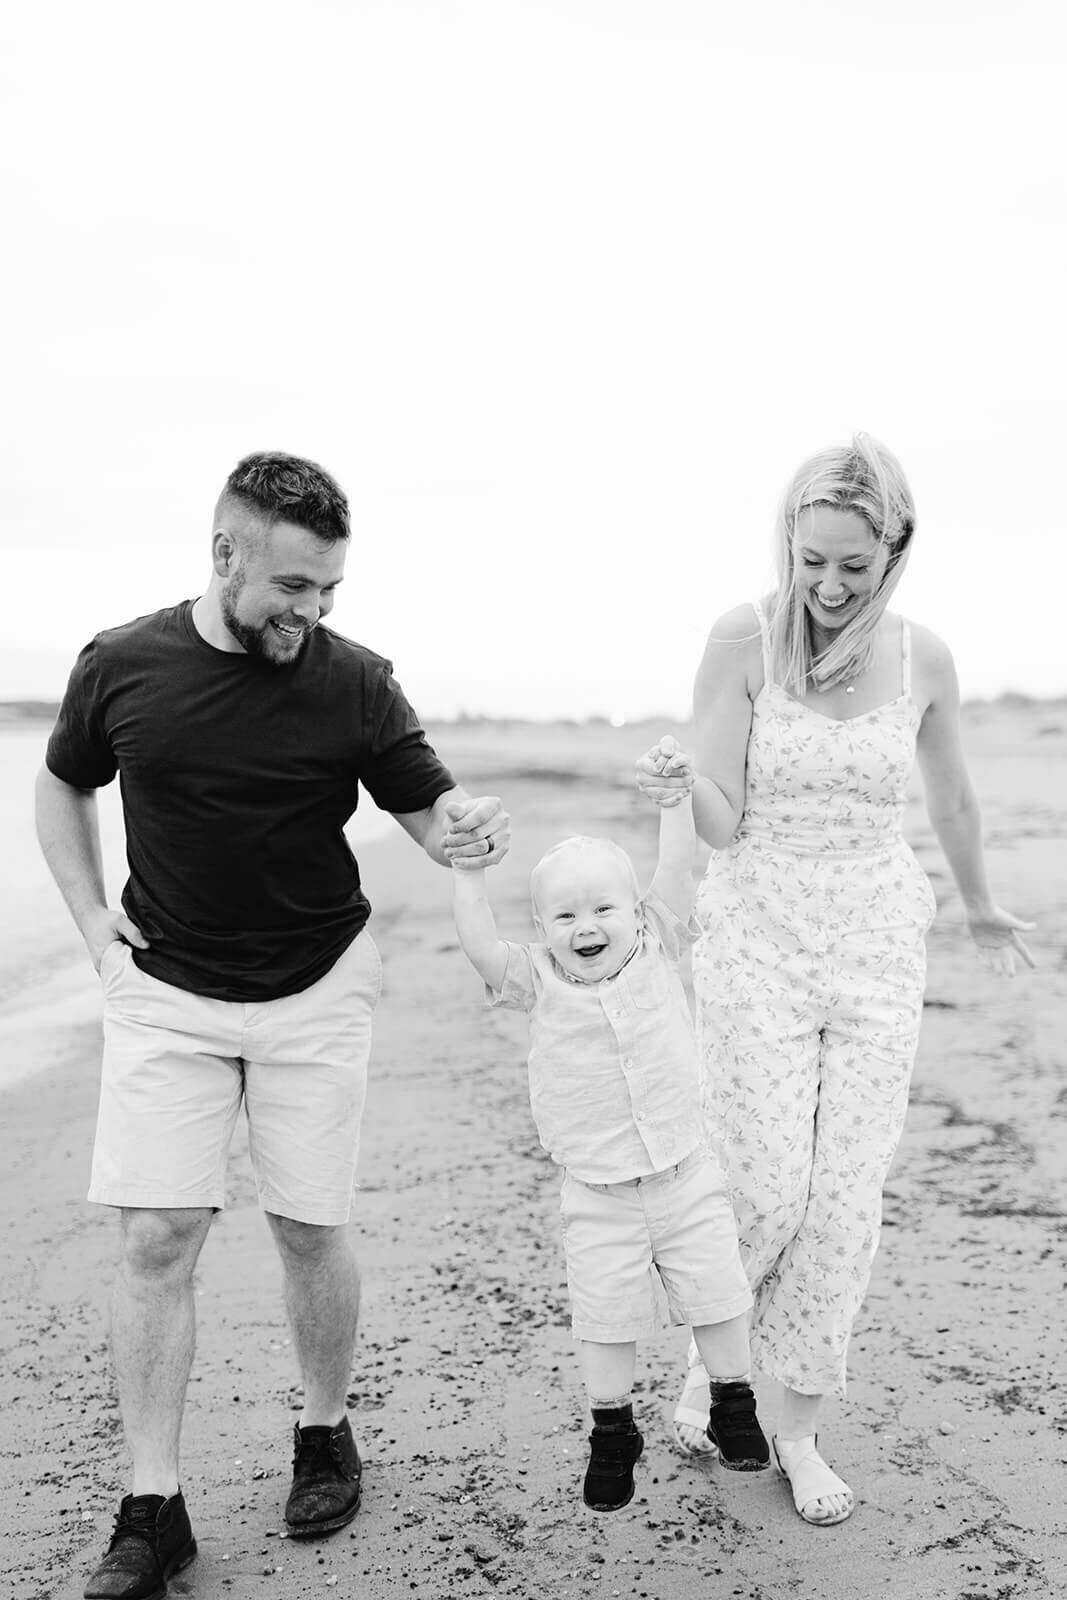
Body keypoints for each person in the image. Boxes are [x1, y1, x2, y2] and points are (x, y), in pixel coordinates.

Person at [35, 451, 509, 1600]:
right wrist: (94, 924)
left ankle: (324, 1431)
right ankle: (153, 1506)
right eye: (293, 588)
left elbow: (430, 817)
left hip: (315, 983)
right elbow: (62, 784)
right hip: (167, 988)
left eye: (330, 590)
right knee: (155, 1237)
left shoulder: (353, 681)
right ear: (225, 554)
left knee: (307, 1225)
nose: (313, 612)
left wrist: (470, 827)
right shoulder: (122, 664)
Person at [637, 434, 1036, 1528]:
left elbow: (949, 799)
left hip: (873, 940)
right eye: (807, 558)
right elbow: (719, 814)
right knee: (765, 1186)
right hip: (756, 931)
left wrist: (976, 898)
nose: (823, 584)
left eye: (850, 566)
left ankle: (795, 1429)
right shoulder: (742, 636)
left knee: (844, 1201)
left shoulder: (923, 660)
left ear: (893, 550)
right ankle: (711, 1358)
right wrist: (681, 787)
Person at [446, 743, 769, 1513]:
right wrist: (468, 874)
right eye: (564, 914)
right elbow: (479, 944)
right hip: (597, 1187)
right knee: (603, 1315)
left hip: (683, 1169)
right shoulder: (536, 978)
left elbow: (678, 870)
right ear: (541, 925)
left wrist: (670, 805)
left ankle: (732, 1401)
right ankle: (612, 1429)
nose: (585, 926)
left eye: (602, 909)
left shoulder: (659, 939)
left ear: (633, 913)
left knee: (719, 1293)